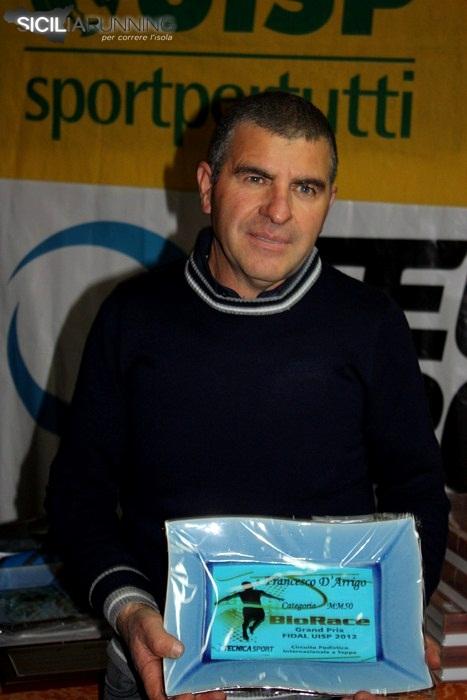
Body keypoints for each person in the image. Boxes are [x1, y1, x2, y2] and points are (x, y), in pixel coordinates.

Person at [46, 91, 449, 700]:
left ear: (329, 201)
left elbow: (416, 493)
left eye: (306, 187)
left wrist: (391, 622)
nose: (278, 211)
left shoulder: (370, 325)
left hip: (333, 676)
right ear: (208, 187)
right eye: (256, 178)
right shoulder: (132, 318)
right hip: (163, 668)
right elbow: (79, 497)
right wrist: (130, 611)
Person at [218, 581, 284, 640]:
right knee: (255, 619)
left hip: (252, 609)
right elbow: (268, 595)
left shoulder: (251, 592)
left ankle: (251, 628)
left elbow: (228, 597)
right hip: (254, 609)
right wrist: (277, 598)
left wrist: (220, 601)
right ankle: (247, 630)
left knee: (254, 620)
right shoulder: (254, 592)